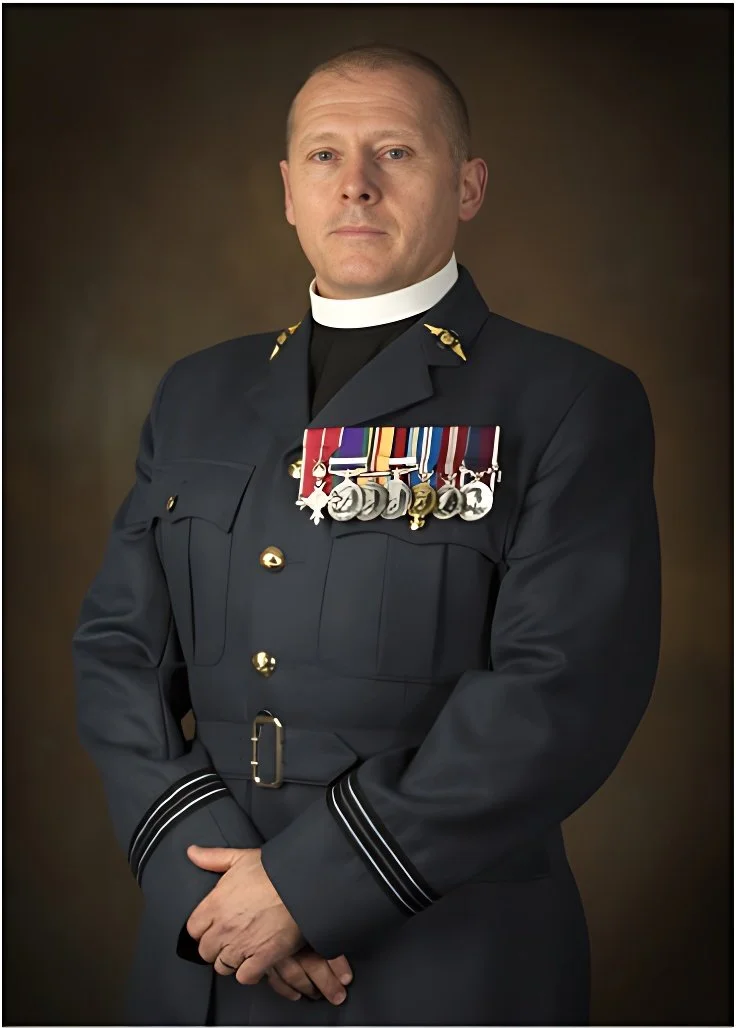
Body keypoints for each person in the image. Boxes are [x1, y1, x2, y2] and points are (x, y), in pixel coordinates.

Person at [72, 42, 661, 1027]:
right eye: (322, 156)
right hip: (206, 944)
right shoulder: (195, 394)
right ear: (286, 190)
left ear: (467, 185)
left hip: (444, 956)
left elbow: (562, 689)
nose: (353, 185)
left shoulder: (567, 399)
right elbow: (116, 655)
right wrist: (215, 879)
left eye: (395, 152)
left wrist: (307, 885)